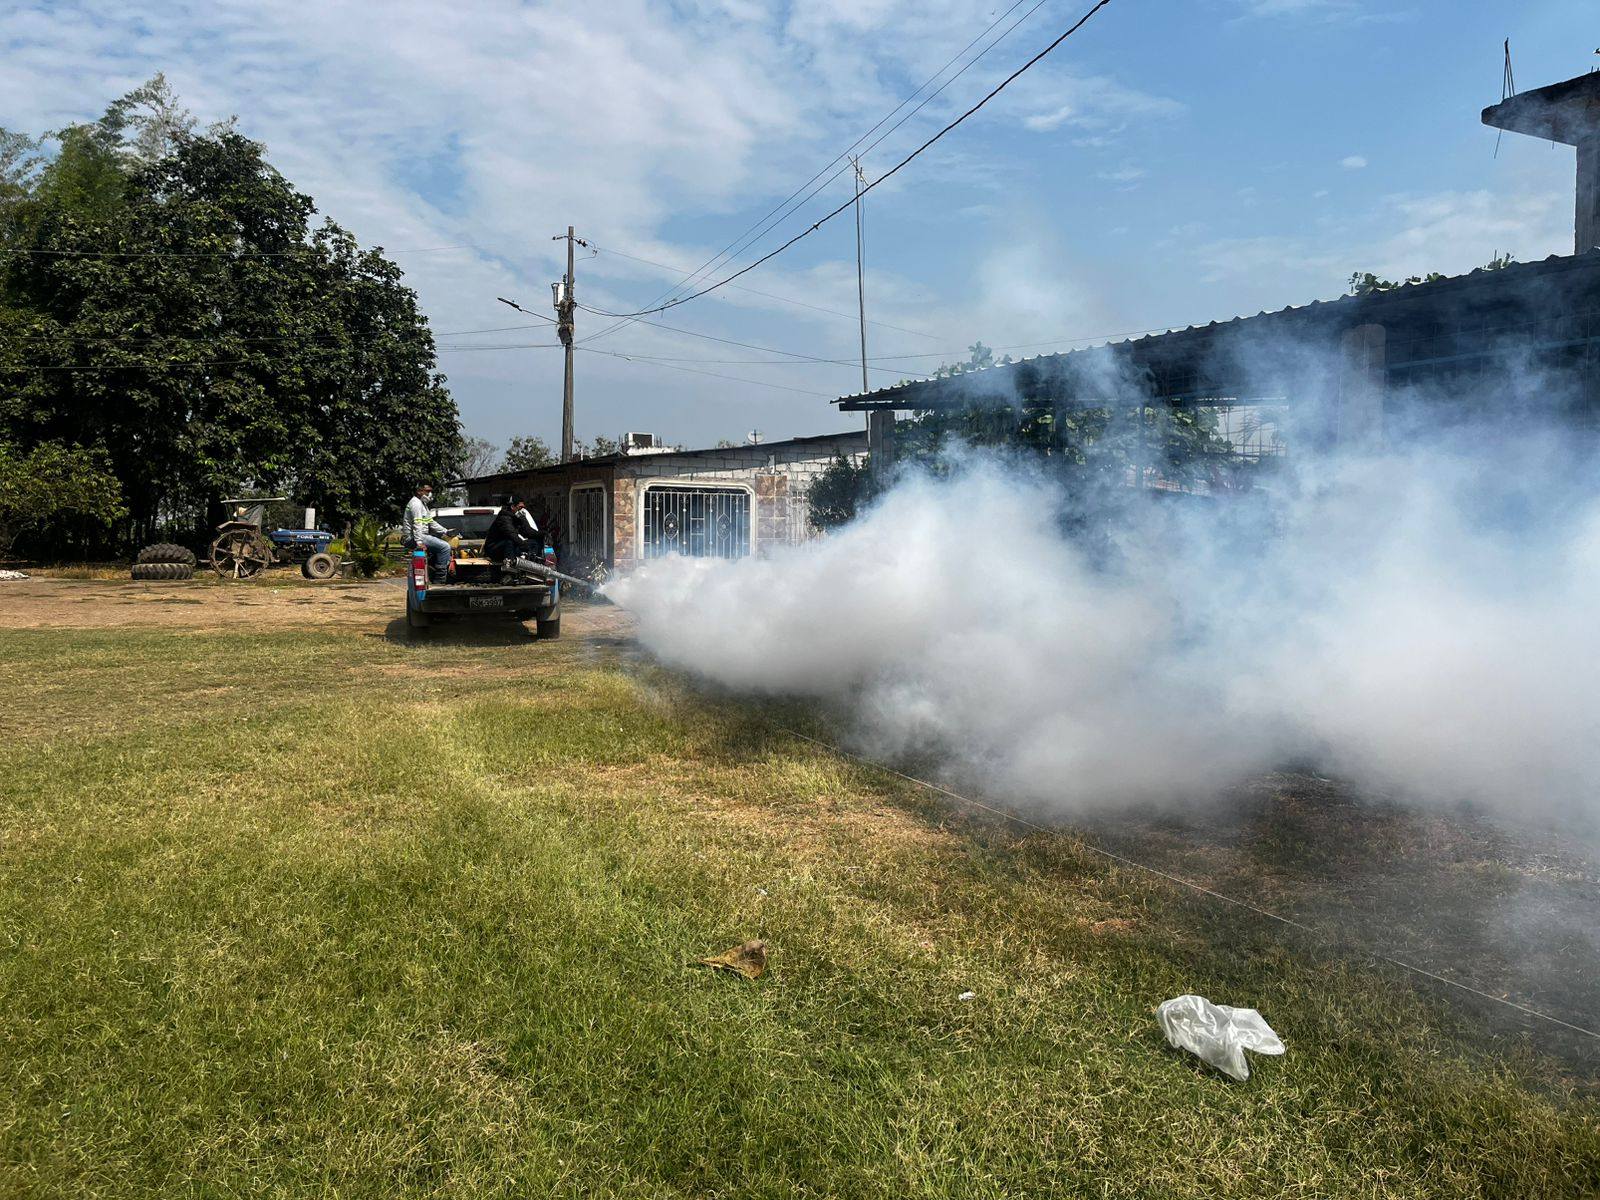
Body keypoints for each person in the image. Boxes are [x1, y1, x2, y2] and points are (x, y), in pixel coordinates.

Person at [402, 483, 452, 583]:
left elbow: (431, 522)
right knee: (445, 547)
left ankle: (433, 571)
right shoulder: (416, 504)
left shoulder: (423, 504)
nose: (430, 494)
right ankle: (440, 578)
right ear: (419, 491)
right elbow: (417, 523)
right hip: (414, 537)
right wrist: (419, 542)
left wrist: (446, 531)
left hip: (420, 536)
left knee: (440, 548)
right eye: (427, 491)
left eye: (430, 491)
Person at [484, 495, 538, 564]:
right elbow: (511, 534)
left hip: (508, 547)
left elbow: (528, 531)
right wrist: (524, 545)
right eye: (520, 507)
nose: (522, 510)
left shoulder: (516, 517)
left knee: (533, 543)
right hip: (493, 549)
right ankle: (509, 564)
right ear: (512, 507)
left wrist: (543, 534)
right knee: (510, 541)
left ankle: (533, 562)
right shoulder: (504, 517)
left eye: (523, 508)